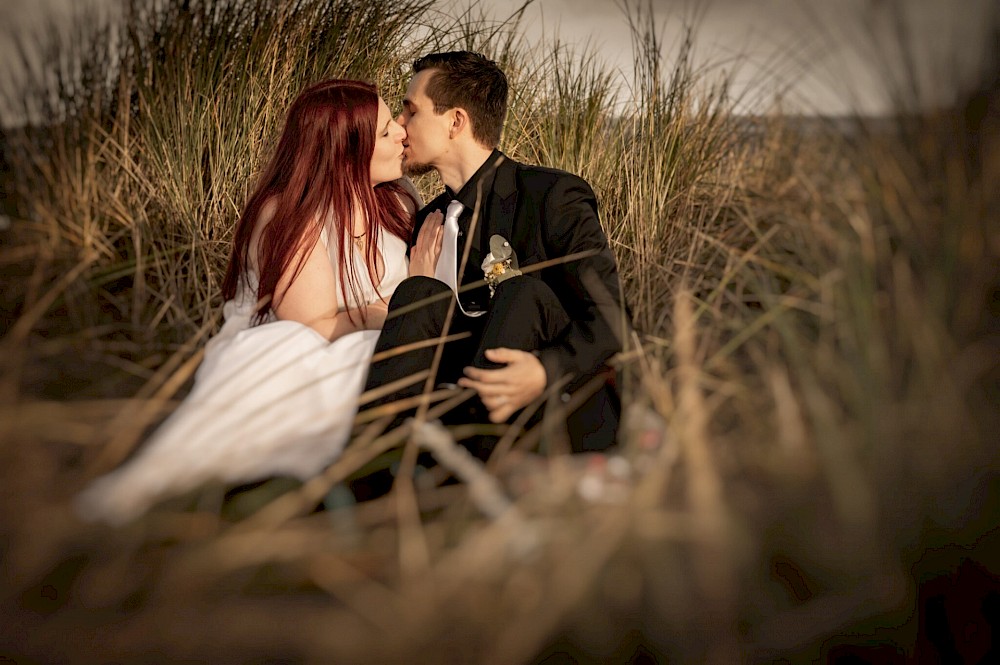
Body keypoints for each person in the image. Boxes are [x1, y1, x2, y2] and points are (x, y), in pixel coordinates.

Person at [76, 79, 443, 525]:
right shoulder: (287, 213)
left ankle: (333, 483)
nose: (403, 132)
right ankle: (190, 486)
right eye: (386, 131)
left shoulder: (400, 200)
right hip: (295, 343)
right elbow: (313, 324)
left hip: (365, 338)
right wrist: (401, 300)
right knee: (287, 353)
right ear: (345, 151)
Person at [362, 51, 626, 461]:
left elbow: (611, 318)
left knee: (520, 293)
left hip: (557, 405)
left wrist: (543, 370)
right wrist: (420, 281)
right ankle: (370, 467)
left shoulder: (551, 196)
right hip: (454, 398)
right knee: (417, 294)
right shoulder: (429, 219)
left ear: (455, 122)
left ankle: (468, 469)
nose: (399, 124)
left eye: (410, 111)